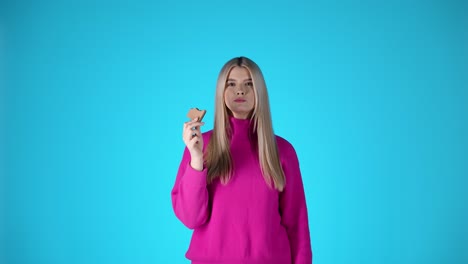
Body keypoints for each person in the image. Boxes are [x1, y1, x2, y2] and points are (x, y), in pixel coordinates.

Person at [171, 56, 312, 264]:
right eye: (231, 84)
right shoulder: (201, 146)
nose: (240, 91)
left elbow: (297, 225)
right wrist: (196, 158)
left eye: (249, 84)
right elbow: (190, 218)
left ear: (260, 92)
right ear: (221, 91)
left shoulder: (282, 151)